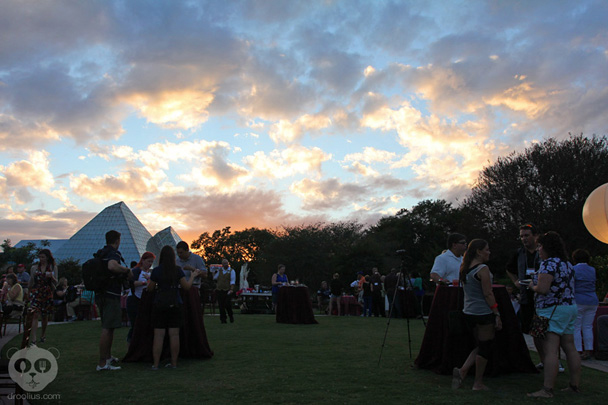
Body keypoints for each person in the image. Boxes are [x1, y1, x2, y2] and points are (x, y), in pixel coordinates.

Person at [527, 232, 581, 398]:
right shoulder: (567, 264)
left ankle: (547, 389)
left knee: (550, 350)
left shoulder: (548, 264)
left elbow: (543, 289)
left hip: (552, 310)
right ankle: (574, 385)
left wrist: (532, 286)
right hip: (569, 307)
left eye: (540, 246)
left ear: (547, 247)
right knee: (570, 347)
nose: (538, 250)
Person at [452, 239, 501, 391]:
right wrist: (496, 313)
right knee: (485, 347)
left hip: (468, 312)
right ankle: (477, 383)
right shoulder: (482, 268)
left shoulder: (464, 267)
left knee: (479, 345)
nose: (489, 252)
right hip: (483, 312)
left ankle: (463, 371)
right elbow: (488, 293)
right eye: (486, 249)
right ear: (479, 251)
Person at [148, 245, 201, 369]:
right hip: (175, 303)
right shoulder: (177, 270)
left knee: (159, 335)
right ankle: (174, 363)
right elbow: (186, 287)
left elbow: (150, 288)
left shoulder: (156, 270)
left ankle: (155, 364)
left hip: (160, 303)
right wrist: (192, 276)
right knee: (174, 335)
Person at [96, 230, 132, 371]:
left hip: (100, 294)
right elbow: (112, 266)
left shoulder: (101, 252)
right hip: (110, 294)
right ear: (117, 240)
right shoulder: (113, 253)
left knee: (108, 327)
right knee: (107, 328)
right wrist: (126, 270)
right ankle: (102, 363)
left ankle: (108, 356)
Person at [506, 224, 541, 335]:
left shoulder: (542, 251)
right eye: (521, 236)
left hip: (541, 294)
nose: (524, 239)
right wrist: (515, 281)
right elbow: (508, 268)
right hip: (525, 294)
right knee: (526, 327)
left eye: (527, 235)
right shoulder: (519, 252)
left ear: (535, 236)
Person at [571, 249, 598, 361]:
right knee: (587, 326)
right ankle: (588, 350)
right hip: (592, 300)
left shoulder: (573, 269)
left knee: (576, 326)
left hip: (579, 299)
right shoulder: (592, 270)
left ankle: (577, 351)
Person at [28, 249, 57, 346]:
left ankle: (43, 335)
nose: (41, 259)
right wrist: (29, 292)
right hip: (36, 292)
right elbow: (31, 281)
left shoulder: (52, 267)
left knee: (45, 316)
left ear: (47, 257)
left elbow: (56, 282)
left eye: (43, 257)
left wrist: (52, 278)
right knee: (35, 314)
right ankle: (34, 339)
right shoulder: (34, 268)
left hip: (47, 292)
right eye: (40, 257)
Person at [126, 251, 155, 342]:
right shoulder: (136, 271)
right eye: (148, 261)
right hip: (134, 300)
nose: (150, 264)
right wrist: (145, 282)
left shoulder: (149, 273)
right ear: (142, 260)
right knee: (135, 325)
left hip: (144, 300)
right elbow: (132, 284)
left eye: (151, 262)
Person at [214, 258, 236, 324]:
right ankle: (223, 319)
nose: (225, 265)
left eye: (226, 263)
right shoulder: (220, 271)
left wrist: (231, 289)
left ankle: (230, 315)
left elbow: (232, 281)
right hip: (219, 290)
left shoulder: (231, 271)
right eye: (224, 264)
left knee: (227, 304)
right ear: (222, 264)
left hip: (227, 290)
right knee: (221, 305)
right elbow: (215, 278)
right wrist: (213, 272)